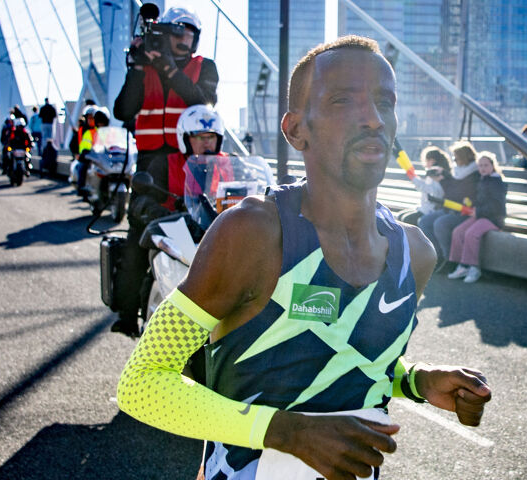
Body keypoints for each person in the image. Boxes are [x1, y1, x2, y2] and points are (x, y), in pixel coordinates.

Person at [116, 35, 491, 479]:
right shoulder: (252, 232)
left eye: (384, 102)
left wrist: (418, 381)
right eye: (341, 101)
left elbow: (350, 358)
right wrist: (287, 432)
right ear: (296, 130)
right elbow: (141, 383)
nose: (372, 118)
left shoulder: (417, 252)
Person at [111, 104, 228, 338]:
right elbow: (141, 201)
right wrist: (159, 212)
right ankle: (132, 318)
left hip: (221, 234)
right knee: (134, 259)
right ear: (185, 139)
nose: (207, 143)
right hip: (176, 233)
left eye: (212, 137)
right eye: (200, 137)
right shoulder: (164, 164)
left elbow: (251, 193)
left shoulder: (230, 165)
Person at [113, 5, 219, 176]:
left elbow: (205, 105)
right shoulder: (145, 70)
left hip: (189, 160)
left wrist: (171, 71)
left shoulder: (204, 66)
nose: (183, 39)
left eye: (189, 34)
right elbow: (123, 112)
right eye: (177, 33)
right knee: (142, 202)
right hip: (148, 160)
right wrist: (136, 68)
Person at [446, 151, 507, 284]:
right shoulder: (483, 180)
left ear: (493, 166)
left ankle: (474, 268)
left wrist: (478, 212)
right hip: (481, 216)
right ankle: (461, 266)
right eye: (480, 166)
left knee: (470, 234)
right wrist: (471, 206)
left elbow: (498, 207)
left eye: (486, 165)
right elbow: (482, 201)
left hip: (494, 219)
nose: (483, 168)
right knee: (458, 232)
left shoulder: (497, 182)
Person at [416, 140, 479, 268]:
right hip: (451, 208)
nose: (454, 161)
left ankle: (448, 259)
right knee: (424, 222)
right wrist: (442, 179)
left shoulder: (473, 174)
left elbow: (458, 195)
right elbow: (451, 192)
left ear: (463, 157)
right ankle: (436, 255)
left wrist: (443, 180)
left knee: (440, 224)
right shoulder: (460, 171)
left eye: (456, 158)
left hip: (463, 211)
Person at [410, 146, 450, 217]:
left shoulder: (436, 173)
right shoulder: (434, 172)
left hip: (432, 209)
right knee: (403, 216)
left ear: (432, 160)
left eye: (427, 160)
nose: (425, 163)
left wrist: (414, 179)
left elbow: (434, 192)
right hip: (427, 207)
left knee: (406, 218)